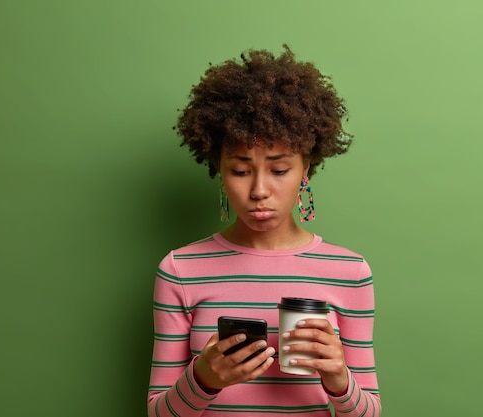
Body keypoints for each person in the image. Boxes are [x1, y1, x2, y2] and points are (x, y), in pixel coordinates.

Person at [148, 45, 381, 417]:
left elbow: (368, 413)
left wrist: (339, 379)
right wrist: (204, 378)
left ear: (306, 168)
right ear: (219, 171)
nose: (258, 190)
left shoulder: (349, 272)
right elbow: (158, 413)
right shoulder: (180, 269)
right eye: (240, 171)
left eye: (279, 170)